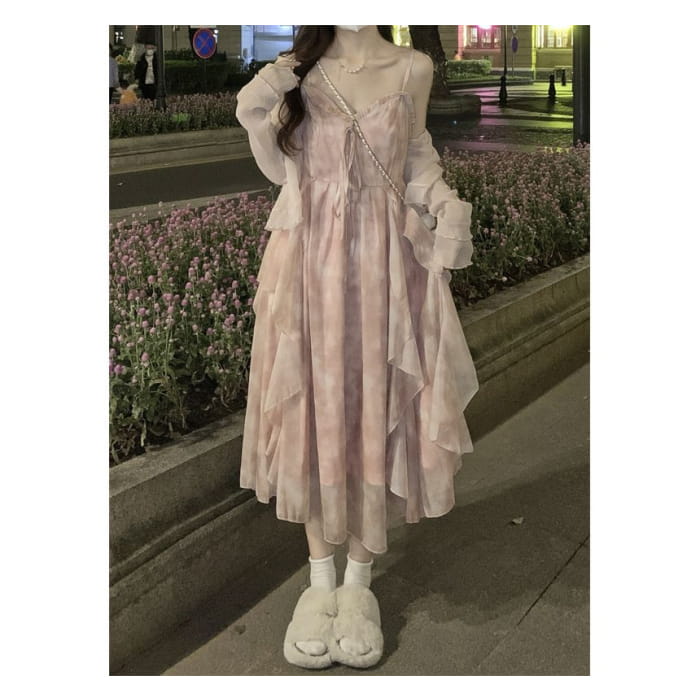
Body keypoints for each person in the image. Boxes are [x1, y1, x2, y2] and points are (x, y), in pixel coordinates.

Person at [235, 25, 479, 670]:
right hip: (307, 260)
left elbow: (415, 158)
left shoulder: (413, 67)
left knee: (376, 405)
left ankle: (358, 584)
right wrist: (258, 104)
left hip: (384, 263)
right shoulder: (297, 69)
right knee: (312, 408)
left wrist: (444, 201)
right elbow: (278, 167)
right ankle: (319, 583)